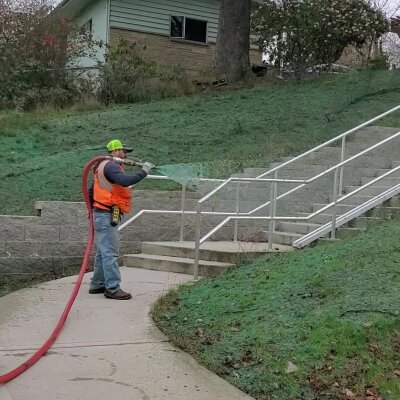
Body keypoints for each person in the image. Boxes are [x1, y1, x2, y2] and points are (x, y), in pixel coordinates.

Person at [89, 139, 153, 300]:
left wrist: (93, 209)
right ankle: (112, 288)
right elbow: (124, 181)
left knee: (103, 252)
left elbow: (92, 190)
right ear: (116, 151)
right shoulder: (111, 166)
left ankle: (97, 283)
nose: (126, 155)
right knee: (110, 252)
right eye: (124, 151)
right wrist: (143, 172)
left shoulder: (102, 166)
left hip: (102, 212)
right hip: (106, 214)